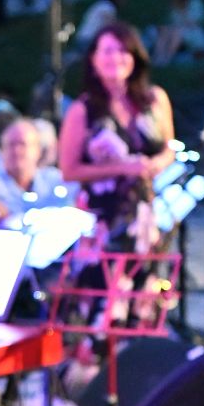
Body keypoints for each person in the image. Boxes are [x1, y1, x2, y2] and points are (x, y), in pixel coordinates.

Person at [58, 21, 175, 244]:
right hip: (102, 219)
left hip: (148, 212)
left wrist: (155, 164)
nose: (115, 58)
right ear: (93, 59)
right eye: (108, 51)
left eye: (123, 50)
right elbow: (69, 170)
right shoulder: (82, 110)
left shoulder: (154, 100)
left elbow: (169, 148)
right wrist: (124, 168)